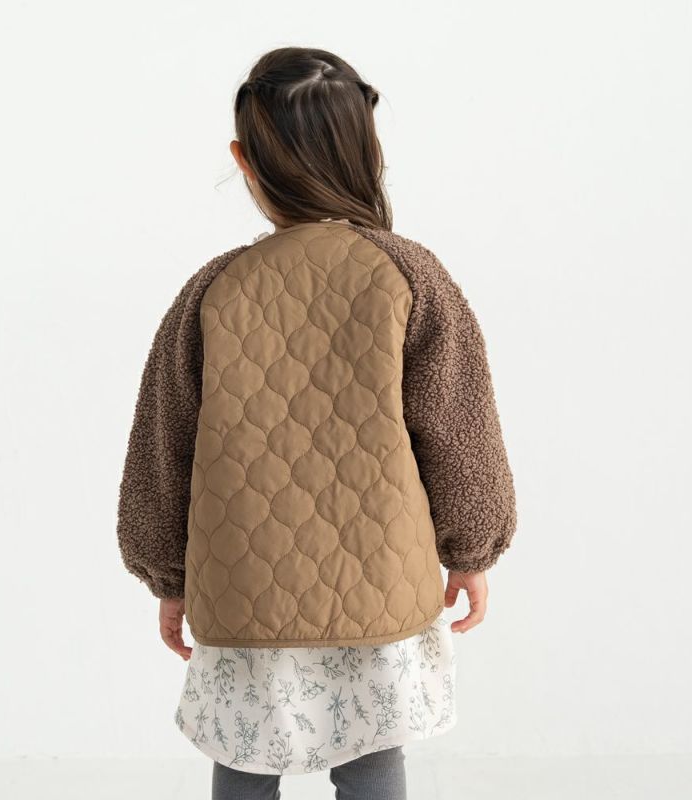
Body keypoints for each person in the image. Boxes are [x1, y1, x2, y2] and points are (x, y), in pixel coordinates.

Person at [117, 46, 517, 800]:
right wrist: (473, 548)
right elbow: (461, 429)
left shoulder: (212, 291)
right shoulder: (411, 276)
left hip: (241, 587)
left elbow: (162, 449)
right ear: (371, 150)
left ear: (244, 160)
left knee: (244, 759)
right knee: (372, 761)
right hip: (380, 582)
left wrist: (166, 573)